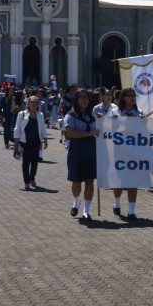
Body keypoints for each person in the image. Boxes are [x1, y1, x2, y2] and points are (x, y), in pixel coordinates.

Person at [63, 89, 98, 221]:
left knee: (90, 180)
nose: (85, 100)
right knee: (76, 181)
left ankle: (86, 210)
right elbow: (70, 133)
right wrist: (89, 133)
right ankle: (76, 201)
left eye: (86, 98)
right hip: (76, 150)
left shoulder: (93, 115)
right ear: (76, 100)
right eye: (81, 97)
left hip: (91, 150)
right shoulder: (71, 115)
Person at [110, 88, 143, 220]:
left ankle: (131, 210)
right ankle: (116, 201)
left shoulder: (139, 113)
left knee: (133, 180)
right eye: (129, 96)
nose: (132, 98)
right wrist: (108, 120)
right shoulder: (115, 112)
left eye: (134, 95)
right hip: (119, 150)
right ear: (123, 98)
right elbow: (107, 129)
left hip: (134, 151)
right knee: (119, 181)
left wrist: (144, 121)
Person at [14, 95, 47, 190]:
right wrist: (16, 140)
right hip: (25, 141)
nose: (34, 104)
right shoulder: (22, 114)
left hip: (36, 141)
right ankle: (27, 181)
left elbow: (42, 128)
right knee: (25, 162)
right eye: (32, 101)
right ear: (28, 103)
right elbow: (17, 127)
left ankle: (32, 176)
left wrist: (45, 139)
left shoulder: (40, 115)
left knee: (35, 161)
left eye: (37, 102)